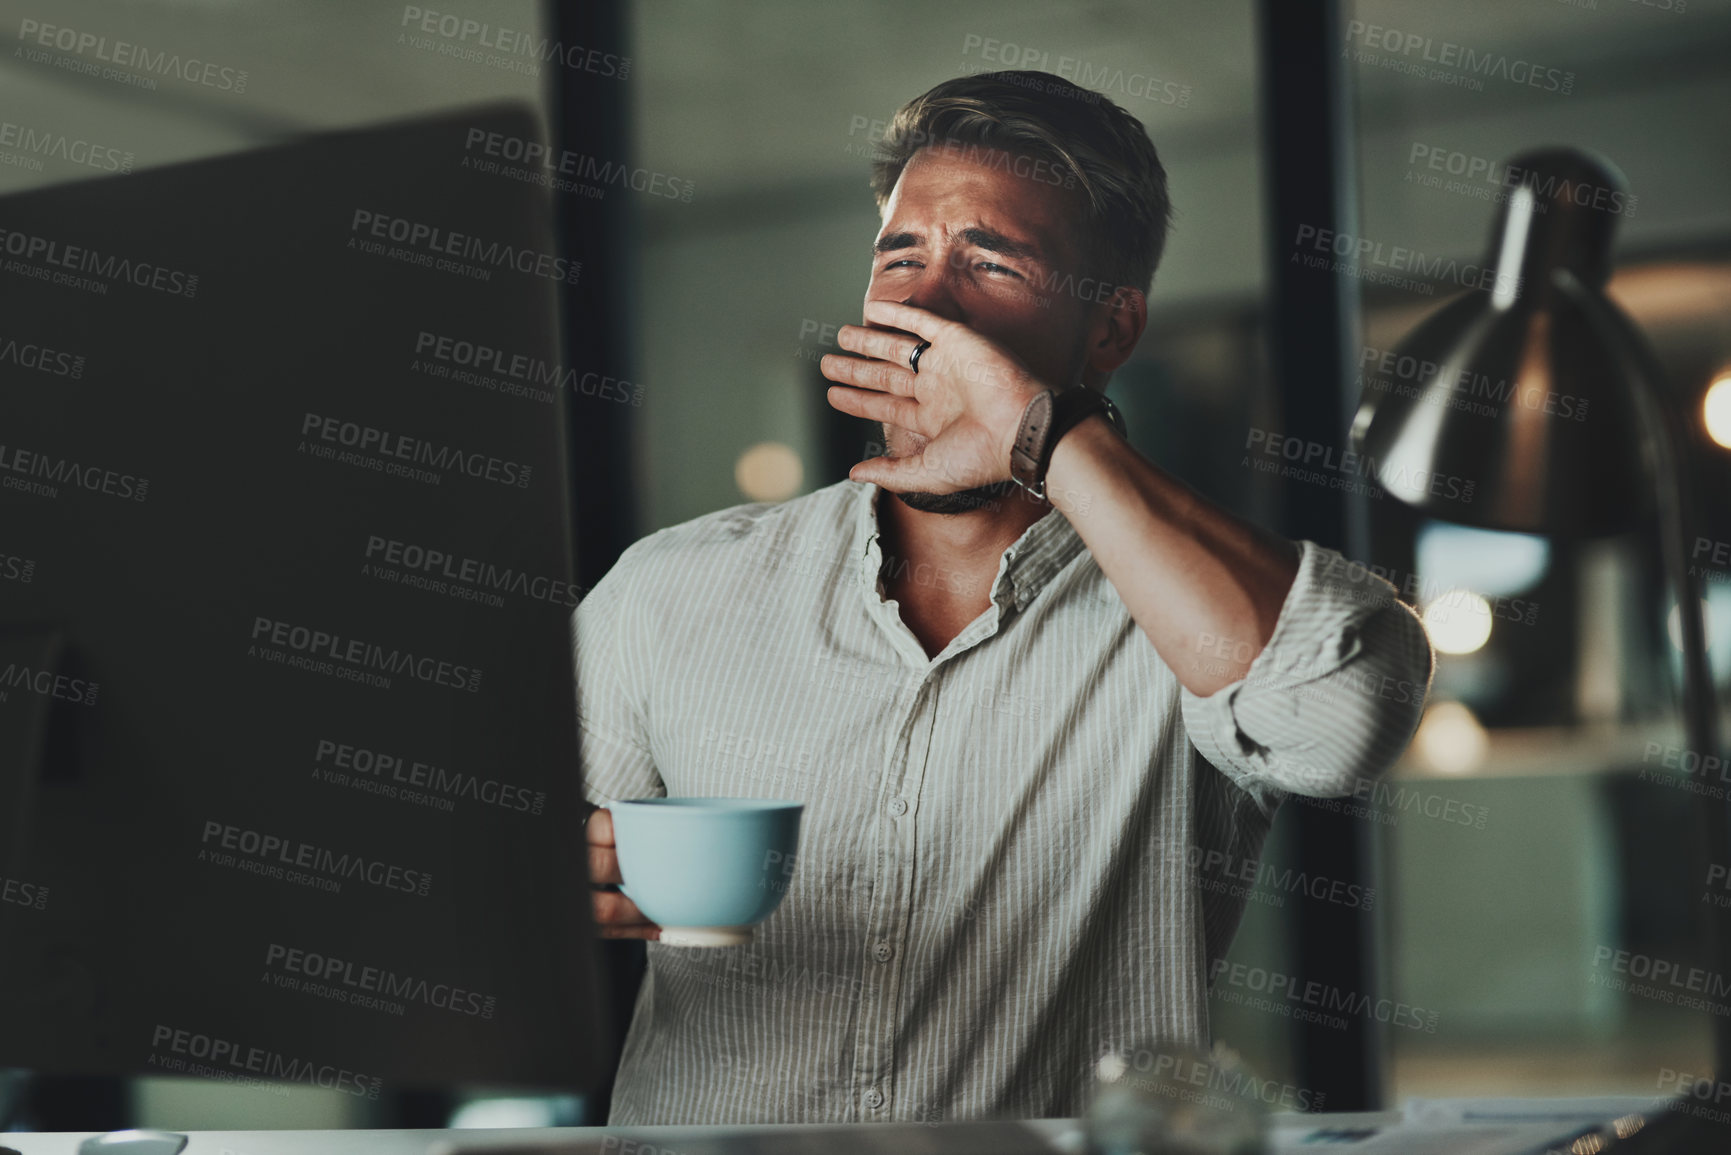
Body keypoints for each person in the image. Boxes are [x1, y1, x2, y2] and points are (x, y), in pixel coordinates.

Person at [576, 69, 1432, 1125]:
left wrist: (1046, 436)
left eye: (991, 262)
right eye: (902, 257)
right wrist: (552, 893)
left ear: (1111, 331)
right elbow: (478, 905)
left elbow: (1339, 721)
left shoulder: (1185, 605)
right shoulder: (669, 588)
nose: (928, 301)